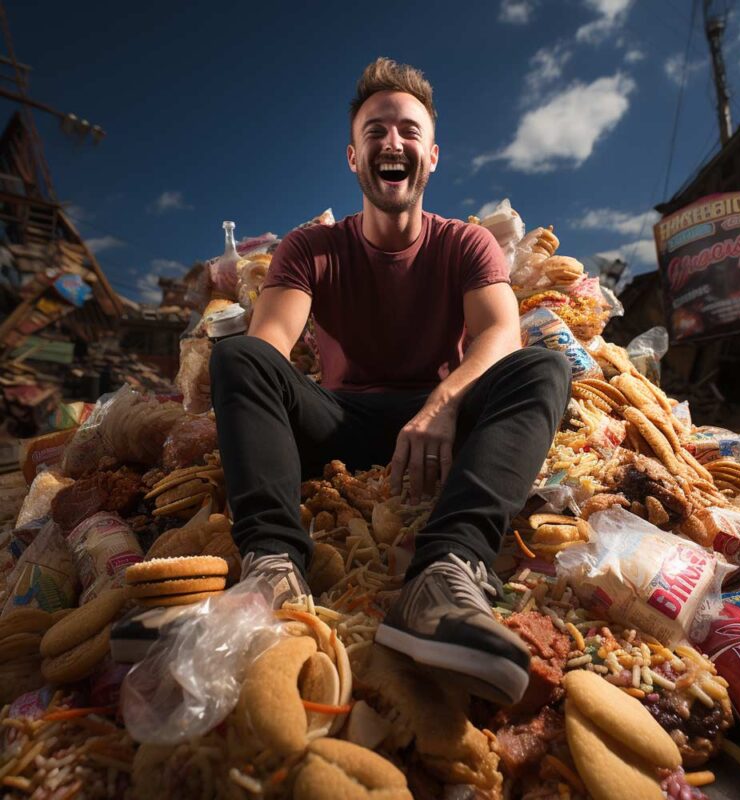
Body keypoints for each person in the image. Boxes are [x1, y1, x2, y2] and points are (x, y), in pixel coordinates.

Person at [210, 57, 571, 705]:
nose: (392, 142)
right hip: (341, 421)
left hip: (442, 424)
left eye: (407, 130)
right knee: (239, 356)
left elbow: (498, 332)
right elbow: (269, 343)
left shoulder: (466, 244)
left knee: (541, 366)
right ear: (354, 157)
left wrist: (440, 404)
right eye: (375, 131)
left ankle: (446, 571)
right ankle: (272, 568)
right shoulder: (310, 249)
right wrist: (255, 386)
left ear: (432, 155)